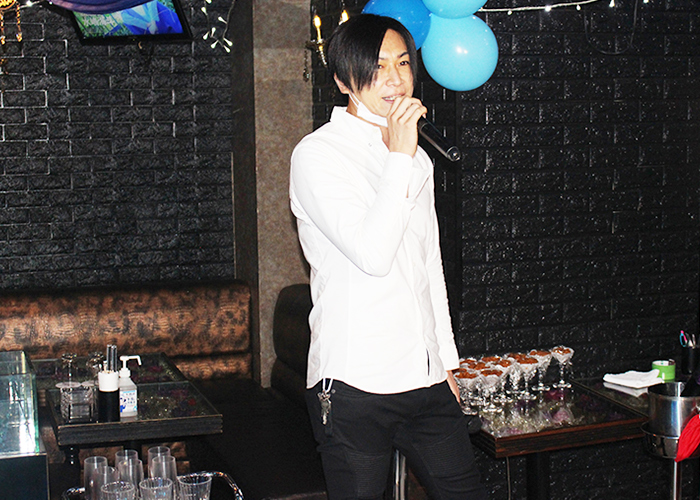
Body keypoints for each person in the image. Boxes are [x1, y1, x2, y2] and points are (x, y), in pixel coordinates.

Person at [289, 13, 487, 500]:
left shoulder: (415, 157)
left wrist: (447, 361)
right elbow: (373, 255)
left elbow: (428, 265)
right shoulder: (318, 155)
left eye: (402, 62)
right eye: (376, 67)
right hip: (355, 383)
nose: (395, 79)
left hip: (425, 376)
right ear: (343, 81)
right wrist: (400, 154)